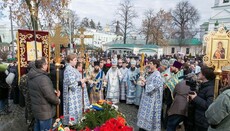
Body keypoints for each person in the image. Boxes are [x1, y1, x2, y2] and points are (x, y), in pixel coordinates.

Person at [27, 57, 60, 131]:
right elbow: (49, 96)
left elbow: (39, 89)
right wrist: (57, 100)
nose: (47, 65)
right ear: (43, 65)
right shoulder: (43, 78)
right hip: (45, 112)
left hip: (37, 109)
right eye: (47, 64)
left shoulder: (32, 75)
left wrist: (53, 90)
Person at [137, 59, 164, 131]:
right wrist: (143, 82)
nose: (149, 64)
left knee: (149, 117)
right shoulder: (151, 73)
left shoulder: (157, 75)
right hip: (147, 99)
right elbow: (147, 83)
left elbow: (154, 87)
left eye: (151, 63)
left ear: (155, 65)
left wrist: (145, 84)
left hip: (152, 100)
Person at [63, 54, 90, 125]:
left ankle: (77, 124)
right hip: (71, 96)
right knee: (72, 114)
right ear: (70, 61)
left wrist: (82, 82)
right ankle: (72, 125)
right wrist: (82, 81)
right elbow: (72, 85)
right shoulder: (68, 69)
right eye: (75, 60)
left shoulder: (72, 68)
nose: (76, 61)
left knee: (77, 112)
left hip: (76, 95)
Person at [188, 66, 215, 131]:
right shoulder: (203, 85)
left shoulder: (210, 88)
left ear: (204, 75)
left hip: (203, 121)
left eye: (200, 73)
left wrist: (195, 98)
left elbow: (209, 105)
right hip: (198, 118)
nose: (198, 74)